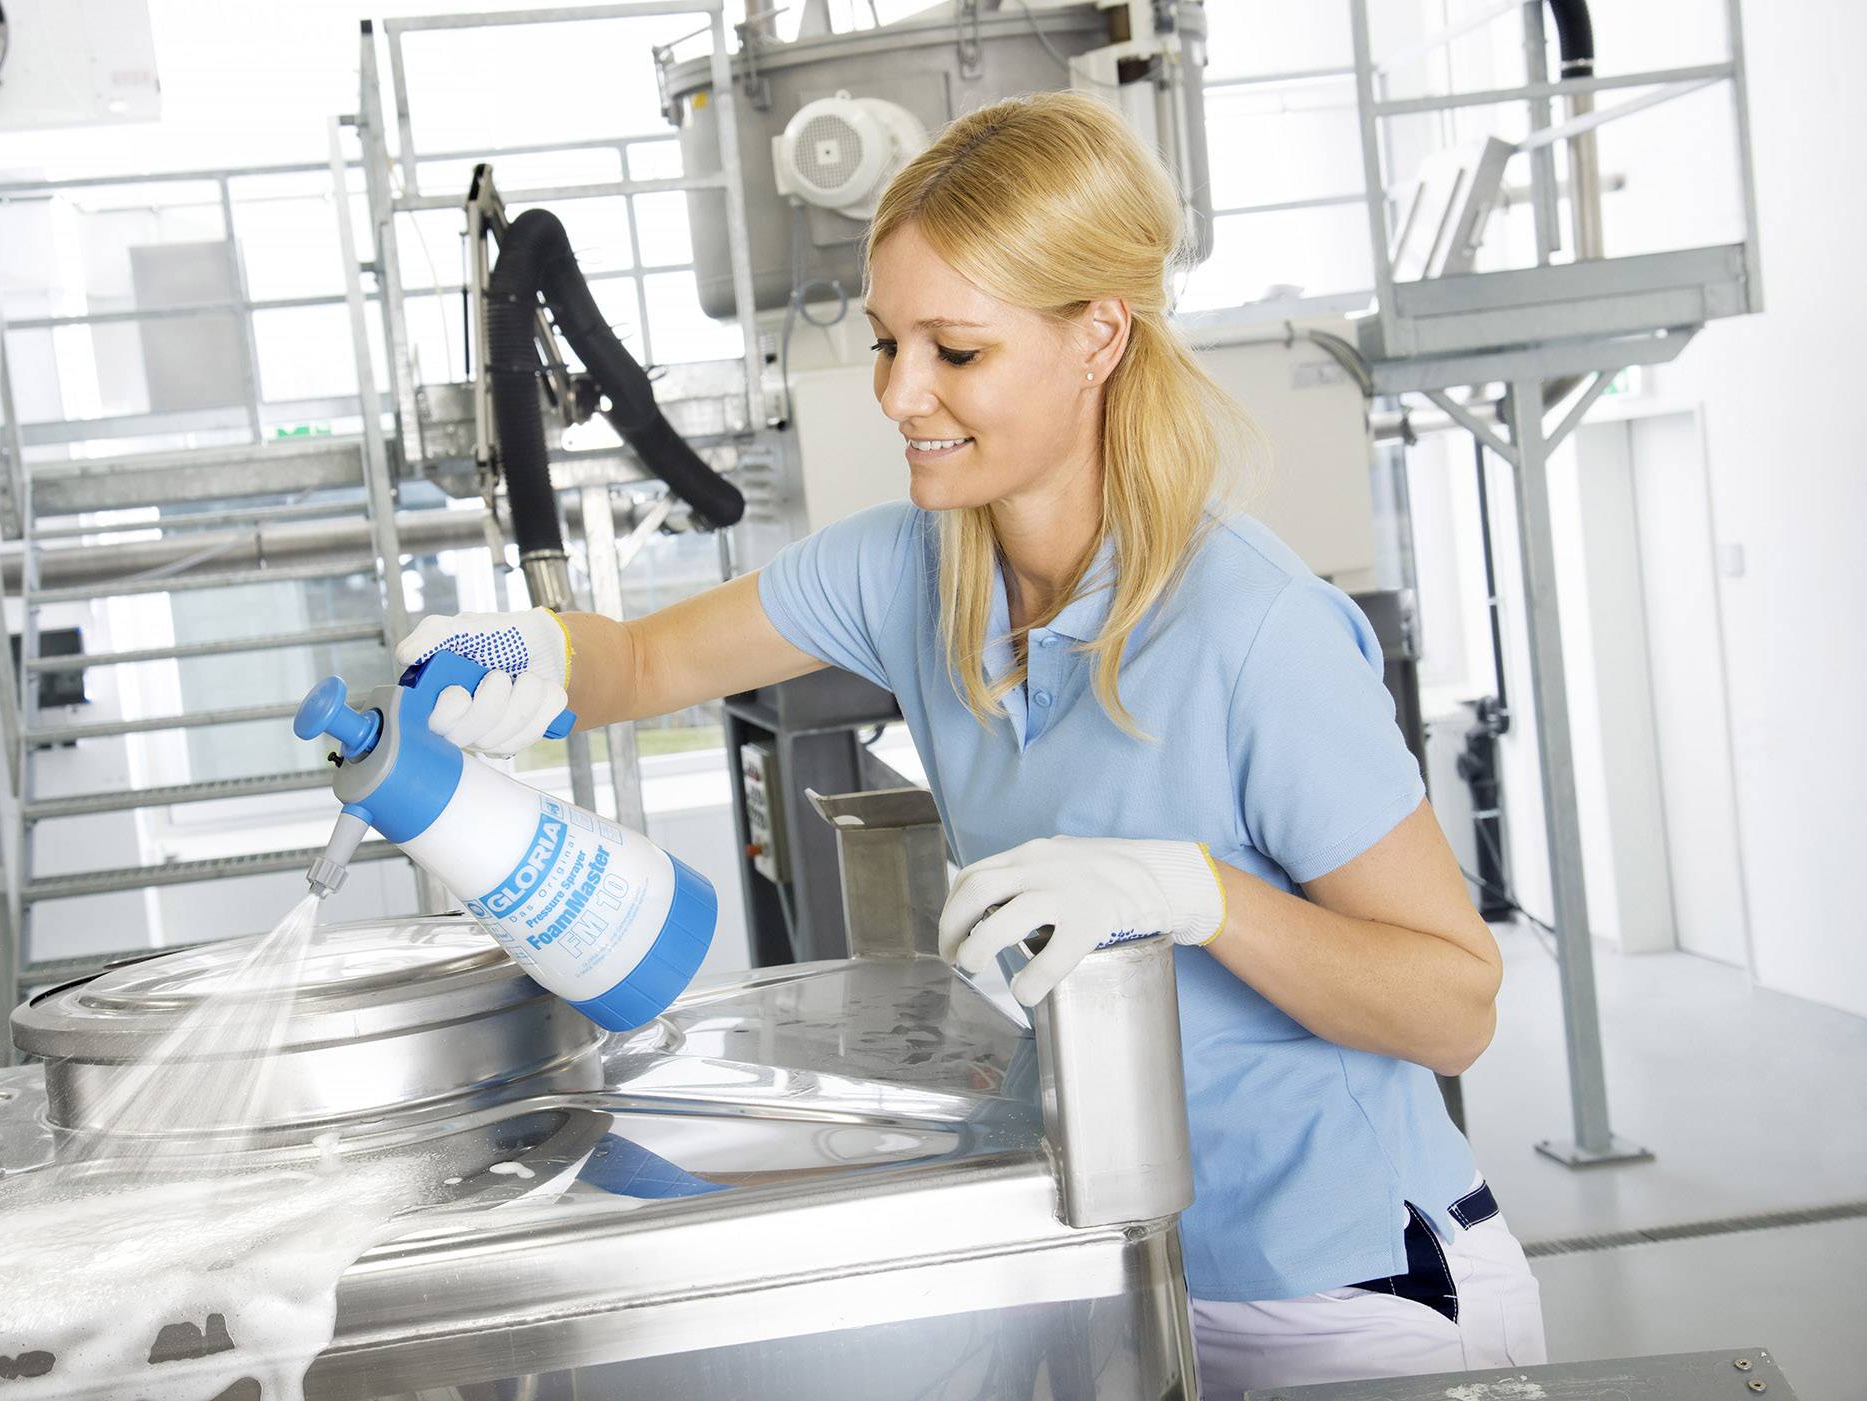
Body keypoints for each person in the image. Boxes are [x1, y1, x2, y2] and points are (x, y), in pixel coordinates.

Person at [394, 90, 1546, 1397]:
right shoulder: (915, 569)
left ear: (1099, 334)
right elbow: (646, 660)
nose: (898, 393)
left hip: (1347, 1292)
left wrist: (1195, 893)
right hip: (1122, 1256)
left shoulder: (1255, 628)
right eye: (889, 343)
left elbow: (1455, 1005)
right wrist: (531, 660)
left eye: (955, 350)